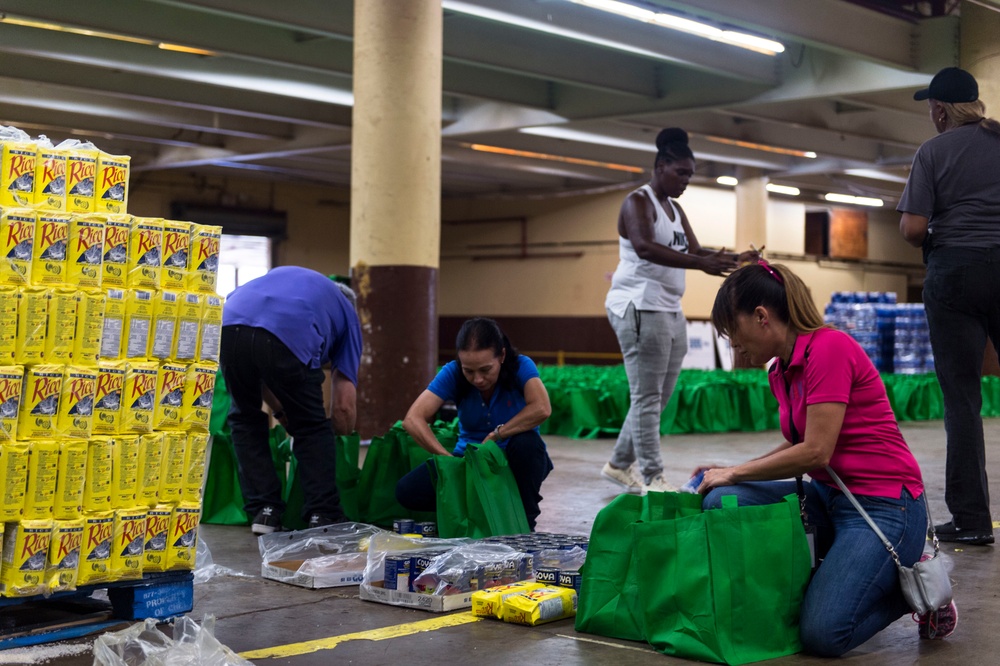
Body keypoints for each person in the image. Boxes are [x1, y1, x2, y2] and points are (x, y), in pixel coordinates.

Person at [695, 261, 954, 656]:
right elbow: (801, 442)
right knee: (721, 500)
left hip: (886, 508)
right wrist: (729, 473)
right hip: (830, 498)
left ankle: (916, 589)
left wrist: (736, 471)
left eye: (734, 331)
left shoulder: (829, 349)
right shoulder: (779, 371)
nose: (733, 345)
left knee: (823, 634)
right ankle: (844, 571)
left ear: (761, 317)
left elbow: (817, 451)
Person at [601, 127, 755, 494]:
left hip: (669, 309)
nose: (686, 181)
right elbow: (645, 247)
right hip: (639, 306)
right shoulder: (637, 202)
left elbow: (698, 251)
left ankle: (618, 464)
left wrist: (737, 259)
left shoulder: (675, 207)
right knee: (647, 398)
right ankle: (654, 476)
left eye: (690, 174)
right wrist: (698, 265)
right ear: (661, 166)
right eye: (681, 173)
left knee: (657, 397)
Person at [898, 66, 999, 546]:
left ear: (939, 110)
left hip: (956, 275)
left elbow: (913, 229)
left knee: (962, 401)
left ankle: (973, 522)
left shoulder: (933, 151)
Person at [220, 266, 362, 535]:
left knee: (245, 419)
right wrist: (340, 439)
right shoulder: (349, 317)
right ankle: (323, 513)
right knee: (312, 426)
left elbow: (262, 365)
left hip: (229, 324)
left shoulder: (293, 282)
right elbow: (343, 405)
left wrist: (283, 412)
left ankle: (265, 511)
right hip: (289, 330)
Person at [396, 318, 553, 530]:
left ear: (502, 356)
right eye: (469, 371)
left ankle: (523, 523)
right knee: (407, 491)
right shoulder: (452, 372)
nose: (477, 379)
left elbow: (541, 407)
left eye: (485, 370)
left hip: (512, 464)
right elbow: (413, 419)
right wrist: (447, 459)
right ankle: (474, 511)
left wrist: (499, 434)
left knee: (528, 444)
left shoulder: (521, 366)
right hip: (468, 460)